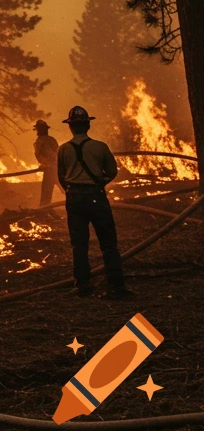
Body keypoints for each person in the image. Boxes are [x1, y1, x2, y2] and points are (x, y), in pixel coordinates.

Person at [57, 105, 130, 299]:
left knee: (79, 244)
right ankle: (116, 286)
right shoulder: (100, 147)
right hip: (96, 197)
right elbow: (112, 172)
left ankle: (82, 285)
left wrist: (74, 191)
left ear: (71, 127)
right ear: (88, 125)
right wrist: (98, 184)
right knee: (108, 243)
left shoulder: (63, 149)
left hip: (73, 198)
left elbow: (61, 177)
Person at [34, 119, 62, 207]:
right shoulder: (52, 140)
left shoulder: (39, 142)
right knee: (65, 188)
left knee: (46, 193)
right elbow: (58, 153)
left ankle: (44, 209)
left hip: (50, 170)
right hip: (58, 169)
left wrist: (44, 165)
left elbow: (39, 156)